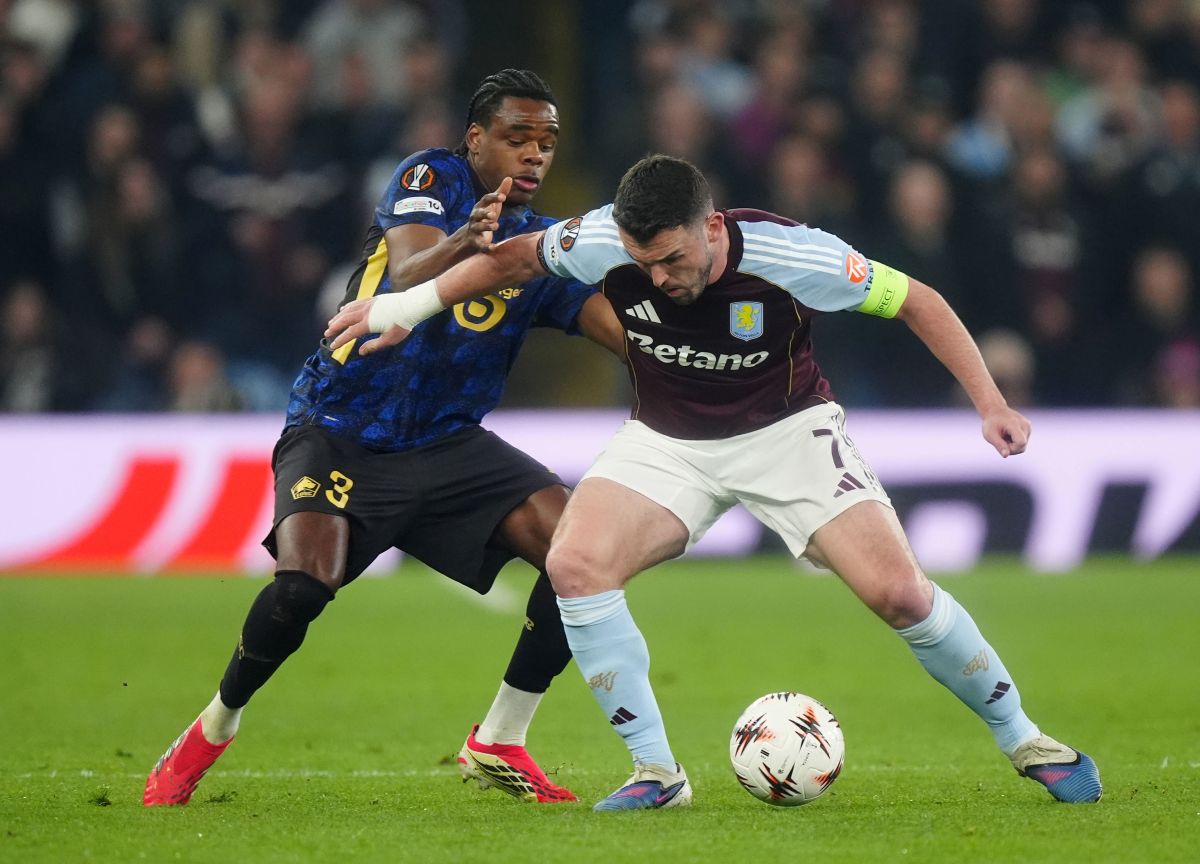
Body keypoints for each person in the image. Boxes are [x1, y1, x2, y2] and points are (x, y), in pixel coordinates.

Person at [326, 154, 1104, 810]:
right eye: (642, 263)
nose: (658, 278)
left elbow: (918, 301)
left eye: (671, 259)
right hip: (667, 440)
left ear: (711, 228)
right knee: (573, 565)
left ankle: (1026, 739)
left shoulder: (799, 257)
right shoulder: (599, 239)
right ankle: (657, 773)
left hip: (789, 433)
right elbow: (508, 260)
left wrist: (990, 401)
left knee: (899, 592)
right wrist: (409, 303)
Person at [143, 70, 624, 806]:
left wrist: (686, 354)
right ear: (475, 139)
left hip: (447, 444)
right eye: (517, 137)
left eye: (547, 143)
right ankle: (214, 724)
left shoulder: (540, 248)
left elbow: (614, 331)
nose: (534, 155)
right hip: (338, 426)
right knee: (302, 588)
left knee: (581, 562)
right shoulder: (430, 176)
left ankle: (500, 737)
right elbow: (406, 273)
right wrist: (468, 239)